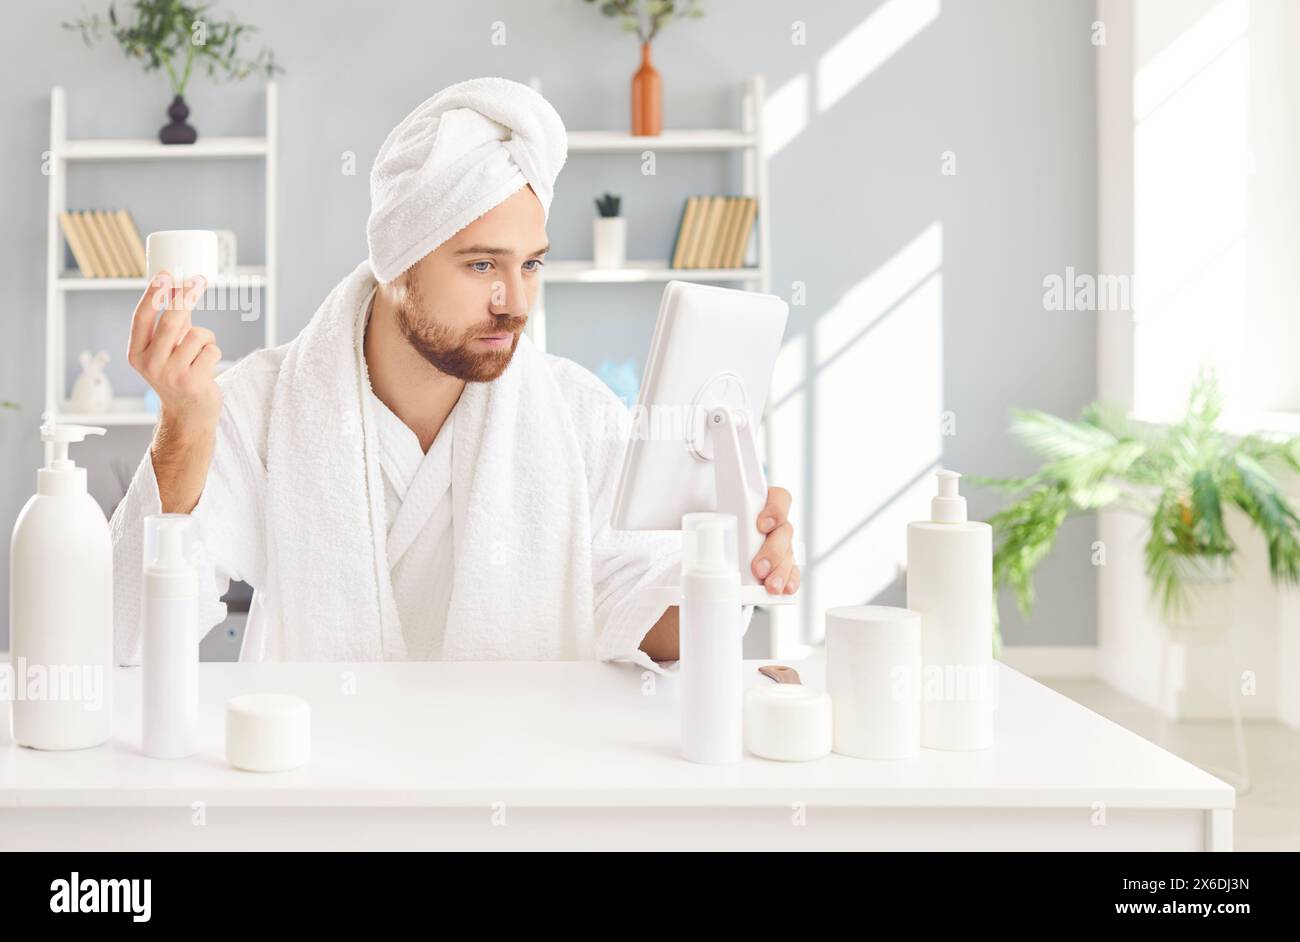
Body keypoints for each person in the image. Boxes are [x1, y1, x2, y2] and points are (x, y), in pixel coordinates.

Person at [109, 77, 799, 670]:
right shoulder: (257, 408)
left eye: (530, 264)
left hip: (514, 780)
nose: (516, 302)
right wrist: (184, 432)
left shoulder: (574, 413)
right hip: (320, 792)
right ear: (396, 265)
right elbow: (123, 637)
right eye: (481, 266)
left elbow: (630, 608)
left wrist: (723, 565)